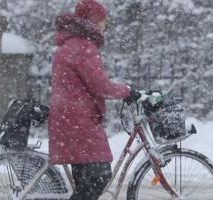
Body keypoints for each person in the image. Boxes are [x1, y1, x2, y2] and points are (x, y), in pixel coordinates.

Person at [48, 0, 142, 199]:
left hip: (71, 120)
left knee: (86, 184)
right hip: (78, 122)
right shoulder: (83, 46)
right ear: (92, 21)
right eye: (102, 20)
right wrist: (128, 91)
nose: (104, 25)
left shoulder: (71, 43)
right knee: (98, 178)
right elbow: (101, 87)